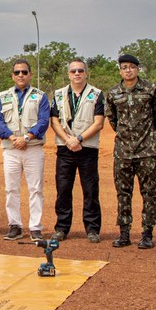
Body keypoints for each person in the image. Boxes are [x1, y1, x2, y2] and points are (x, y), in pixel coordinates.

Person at [105, 55, 156, 249]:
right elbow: (113, 119)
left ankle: (147, 233)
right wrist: (126, 136)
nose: (128, 70)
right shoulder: (114, 92)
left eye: (132, 67)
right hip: (123, 151)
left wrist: (150, 135)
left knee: (149, 192)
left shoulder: (151, 89)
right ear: (120, 71)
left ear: (138, 69)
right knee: (123, 193)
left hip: (146, 150)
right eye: (124, 67)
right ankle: (124, 233)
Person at [0, 58, 50, 241]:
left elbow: (43, 121)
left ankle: (35, 227)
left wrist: (26, 138)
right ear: (12, 75)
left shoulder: (40, 96)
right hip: (11, 149)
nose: (20, 75)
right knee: (11, 189)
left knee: (36, 189)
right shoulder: (4, 96)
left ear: (30, 75)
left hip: (32, 148)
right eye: (17, 72)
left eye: (24, 72)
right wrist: (12, 138)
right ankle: (15, 225)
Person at [50, 58, 105, 242]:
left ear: (86, 73)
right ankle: (62, 228)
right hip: (65, 148)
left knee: (90, 189)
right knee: (63, 189)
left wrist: (79, 139)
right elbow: (54, 121)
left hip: (87, 148)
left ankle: (92, 229)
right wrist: (68, 140)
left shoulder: (96, 94)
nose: (77, 74)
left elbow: (98, 123)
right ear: (68, 74)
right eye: (73, 71)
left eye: (80, 70)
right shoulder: (59, 95)